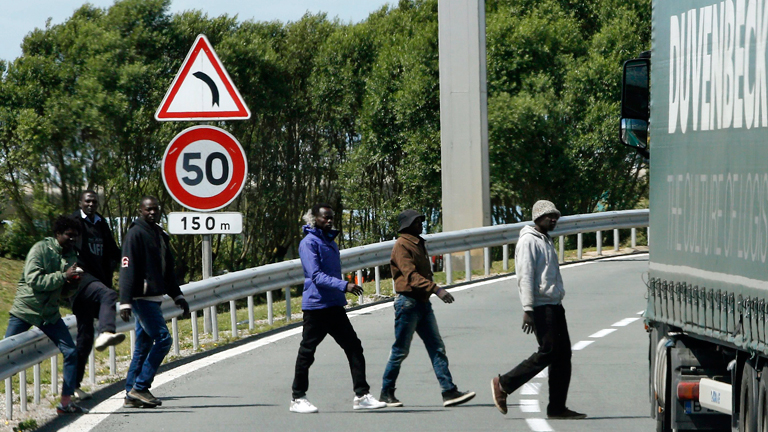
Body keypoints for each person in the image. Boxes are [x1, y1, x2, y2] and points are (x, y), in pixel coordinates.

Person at [491, 200, 586, 419]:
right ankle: (504, 383)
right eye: (549, 216)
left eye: (556, 216)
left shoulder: (545, 239)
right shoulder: (528, 241)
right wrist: (528, 309)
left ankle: (557, 407)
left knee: (563, 356)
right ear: (537, 218)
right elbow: (525, 276)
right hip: (541, 306)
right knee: (549, 351)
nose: (553, 219)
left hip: (554, 304)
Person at [290, 203, 386, 413]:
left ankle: (362, 395)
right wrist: (345, 285)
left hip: (334, 305)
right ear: (314, 219)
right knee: (308, 351)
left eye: (332, 217)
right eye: (326, 217)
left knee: (354, 347)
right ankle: (298, 398)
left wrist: (340, 290)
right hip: (316, 306)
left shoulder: (329, 242)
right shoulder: (309, 243)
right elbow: (314, 275)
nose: (330, 220)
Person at [379, 209, 476, 408]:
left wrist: (431, 292)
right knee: (400, 350)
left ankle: (449, 391)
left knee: (437, 347)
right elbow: (410, 276)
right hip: (408, 304)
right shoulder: (402, 246)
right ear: (406, 225)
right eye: (416, 222)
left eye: (420, 221)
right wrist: (437, 289)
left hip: (423, 304)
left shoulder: (417, 242)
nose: (420, 224)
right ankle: (386, 392)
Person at [5, 216, 87, 414]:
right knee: (4, 357)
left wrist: (73, 284)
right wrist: (63, 276)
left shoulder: (71, 257)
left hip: (49, 314)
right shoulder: (40, 249)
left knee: (71, 352)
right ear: (58, 234)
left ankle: (65, 403)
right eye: (69, 235)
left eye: (75, 236)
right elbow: (34, 280)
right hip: (25, 310)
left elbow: (64, 294)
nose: (72, 240)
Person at [119, 196, 189, 409]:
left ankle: (131, 392)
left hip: (155, 297)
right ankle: (141, 386)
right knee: (163, 339)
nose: (152, 213)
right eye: (148, 209)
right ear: (140, 210)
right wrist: (125, 301)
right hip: (142, 299)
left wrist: (177, 296)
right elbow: (127, 268)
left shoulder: (159, 234)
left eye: (155, 210)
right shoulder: (135, 233)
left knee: (143, 346)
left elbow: (167, 270)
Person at [69, 190, 125, 401]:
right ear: (80, 203)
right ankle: (107, 332)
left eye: (94, 201)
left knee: (84, 339)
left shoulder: (101, 223)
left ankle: (73, 386)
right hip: (81, 280)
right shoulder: (74, 222)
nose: (91, 204)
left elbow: (112, 250)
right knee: (109, 295)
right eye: (87, 201)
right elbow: (64, 245)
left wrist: (128, 260)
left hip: (96, 281)